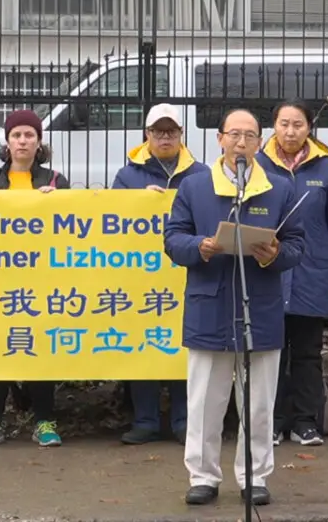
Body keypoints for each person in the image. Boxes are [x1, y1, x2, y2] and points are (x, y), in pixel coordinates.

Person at [164, 109, 305, 507]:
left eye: (250, 136)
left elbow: (296, 246)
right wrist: (199, 247)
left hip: (259, 308)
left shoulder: (278, 189)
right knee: (205, 400)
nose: (241, 143)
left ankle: (255, 476)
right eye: (234, 135)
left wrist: (274, 253)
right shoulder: (194, 187)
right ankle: (203, 475)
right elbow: (173, 238)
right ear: (220, 139)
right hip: (209, 306)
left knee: (259, 403)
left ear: (261, 143)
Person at [255, 101, 328, 447]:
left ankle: (304, 422)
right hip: (267, 274)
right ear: (274, 127)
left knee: (308, 354)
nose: (290, 131)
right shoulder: (257, 164)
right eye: (284, 124)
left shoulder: (326, 169)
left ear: (309, 128)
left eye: (297, 124)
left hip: (312, 275)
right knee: (270, 355)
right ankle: (272, 422)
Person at [0, 109, 68, 449]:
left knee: (40, 347)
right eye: (17, 135)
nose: (23, 141)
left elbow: (72, 229)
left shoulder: (56, 181)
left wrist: (58, 205)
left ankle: (44, 420)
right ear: (7, 142)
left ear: (39, 142)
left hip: (42, 281)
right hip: (0, 282)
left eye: (29, 135)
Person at [112, 103, 209, 446]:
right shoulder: (128, 176)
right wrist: (138, 202)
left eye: (171, 132)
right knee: (144, 346)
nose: (164, 137)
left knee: (184, 348)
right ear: (147, 136)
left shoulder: (200, 174)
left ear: (181, 136)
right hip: (141, 276)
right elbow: (111, 220)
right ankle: (145, 420)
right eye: (158, 132)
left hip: (185, 274)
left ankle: (184, 421)